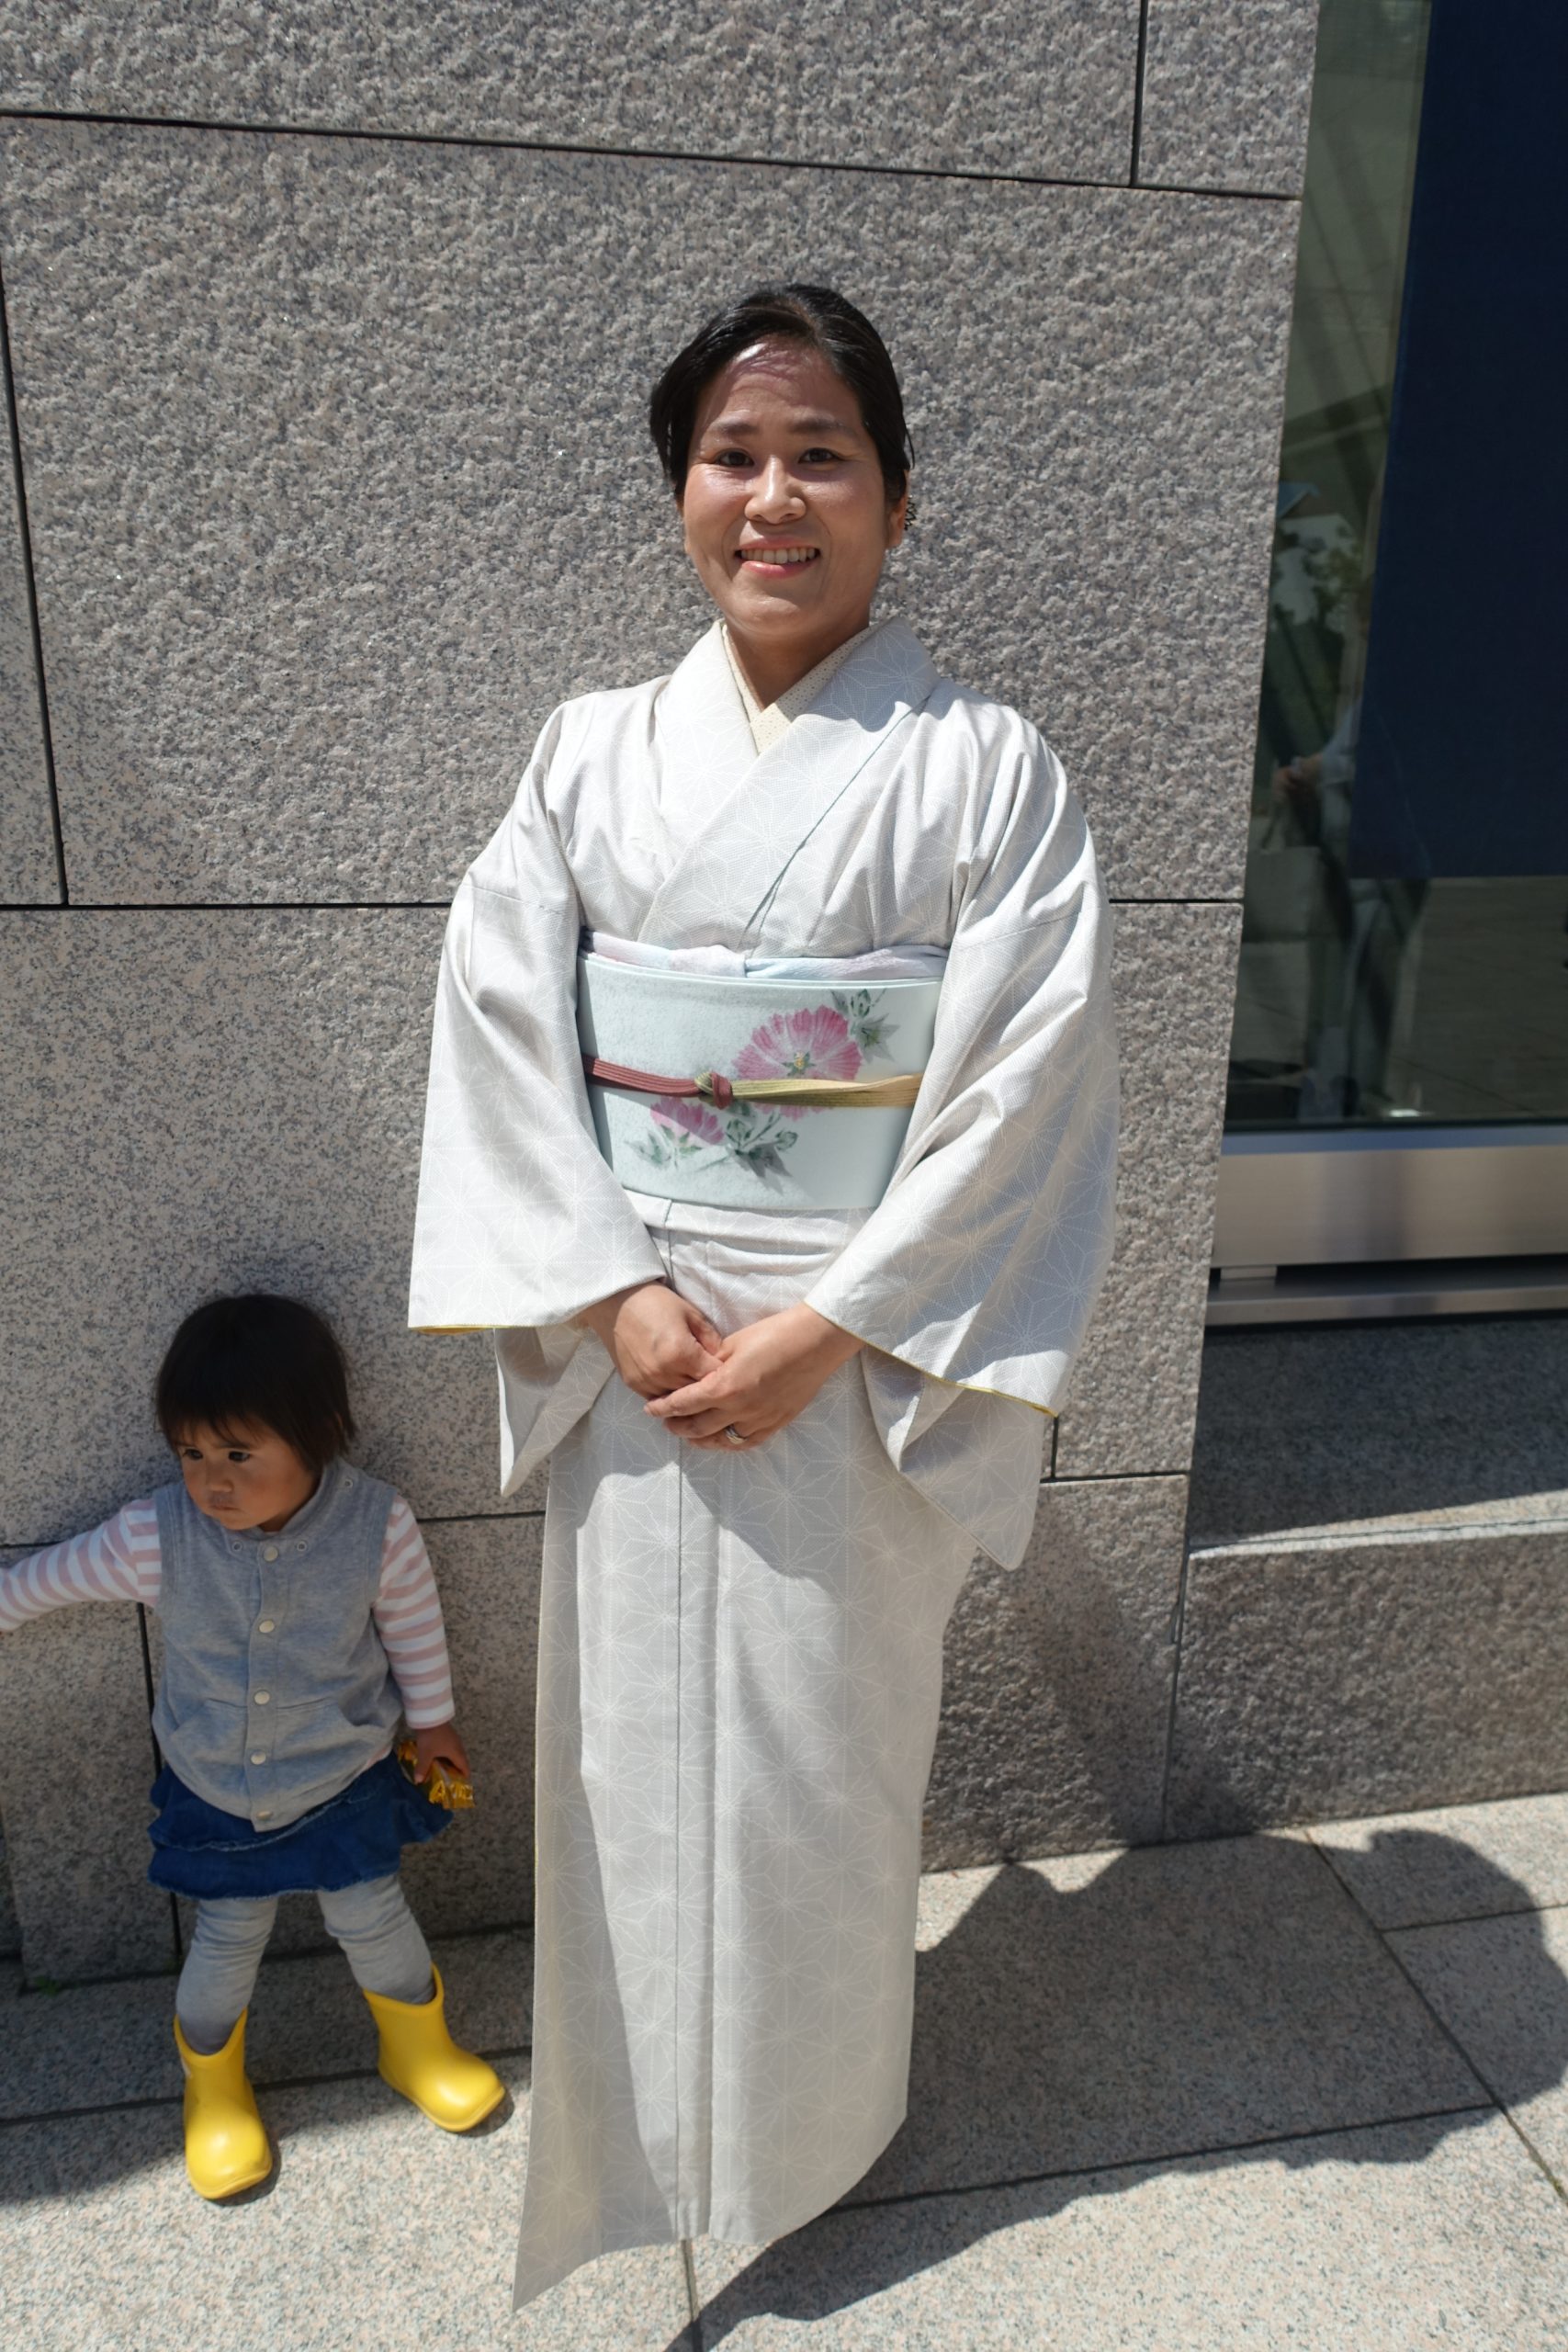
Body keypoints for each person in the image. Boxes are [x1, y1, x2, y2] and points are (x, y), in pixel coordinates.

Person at [410, 283, 1119, 2306]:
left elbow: (1027, 1083)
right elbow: (499, 1021)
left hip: (852, 1366)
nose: (774, 497)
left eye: (822, 455)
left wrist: (834, 1325)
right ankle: (642, 2136)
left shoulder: (985, 768)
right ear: (680, 493)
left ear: (894, 498)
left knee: (820, 1767)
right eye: (733, 455)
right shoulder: (587, 752)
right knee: (628, 1771)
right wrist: (611, 1290)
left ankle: (812, 2129)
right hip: (638, 1354)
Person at [0, 1292, 504, 2199]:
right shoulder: (156, 1534)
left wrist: (433, 1721)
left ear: (320, 1433)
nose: (212, 1482)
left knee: (372, 1912)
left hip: (345, 1773)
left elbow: (412, 1625)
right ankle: (215, 2087)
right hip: (217, 1787)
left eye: (238, 1453)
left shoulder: (377, 1521)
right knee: (228, 1934)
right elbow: (44, 1579)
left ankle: (417, 2049)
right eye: (191, 1453)